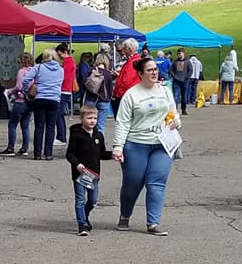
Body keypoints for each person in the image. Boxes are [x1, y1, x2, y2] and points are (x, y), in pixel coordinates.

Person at [111, 56, 178, 234]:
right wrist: (118, 146)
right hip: (136, 144)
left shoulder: (165, 91)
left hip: (162, 144)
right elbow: (122, 122)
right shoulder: (131, 95)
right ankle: (125, 214)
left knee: (157, 183)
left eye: (155, 69)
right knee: (133, 183)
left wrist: (176, 121)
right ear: (140, 74)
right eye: (150, 70)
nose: (154, 72)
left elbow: (173, 112)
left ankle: (153, 223)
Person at [67, 100, 109, 235]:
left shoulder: (98, 135)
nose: (92, 121)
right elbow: (70, 153)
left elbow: (101, 153)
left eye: (95, 118)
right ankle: (82, 225)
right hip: (80, 173)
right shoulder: (76, 135)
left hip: (94, 174)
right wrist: (77, 164)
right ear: (82, 119)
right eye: (89, 118)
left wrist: (113, 154)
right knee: (80, 199)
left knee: (93, 200)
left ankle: (84, 216)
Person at [28, 51, 64, 159]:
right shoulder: (61, 70)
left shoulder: (39, 67)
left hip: (40, 98)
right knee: (51, 127)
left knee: (39, 126)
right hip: (54, 99)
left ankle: (37, 154)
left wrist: (28, 90)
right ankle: (48, 154)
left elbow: (26, 79)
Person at [4, 52, 33, 154]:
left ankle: (10, 148)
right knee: (25, 126)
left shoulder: (21, 72)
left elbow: (19, 86)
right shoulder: (33, 71)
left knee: (12, 124)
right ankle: (25, 148)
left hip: (20, 100)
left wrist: (9, 91)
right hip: (30, 101)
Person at [83, 52, 113, 133]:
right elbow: (110, 90)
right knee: (101, 126)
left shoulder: (90, 70)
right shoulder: (108, 74)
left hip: (90, 99)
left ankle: (87, 143)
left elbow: (84, 83)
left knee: (88, 125)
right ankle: (98, 144)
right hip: (103, 100)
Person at [112, 37, 144, 105]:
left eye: (124, 49)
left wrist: (118, 95)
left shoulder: (132, 62)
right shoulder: (134, 60)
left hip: (125, 96)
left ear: (129, 49)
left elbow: (127, 82)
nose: (123, 52)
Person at [56, 41, 77, 142]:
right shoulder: (68, 61)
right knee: (59, 114)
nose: (59, 57)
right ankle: (61, 136)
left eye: (60, 55)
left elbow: (65, 77)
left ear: (64, 52)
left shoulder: (68, 62)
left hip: (64, 90)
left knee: (58, 114)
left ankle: (61, 136)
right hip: (65, 90)